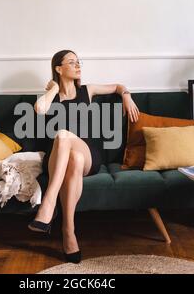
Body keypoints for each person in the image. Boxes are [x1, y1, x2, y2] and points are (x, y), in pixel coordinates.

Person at [28, 50, 140, 263]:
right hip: (60, 157)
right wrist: (53, 88)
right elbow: (40, 110)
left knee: (64, 137)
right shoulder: (51, 96)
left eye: (79, 62)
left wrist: (126, 96)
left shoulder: (88, 90)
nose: (78, 65)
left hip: (88, 152)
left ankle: (48, 204)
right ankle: (68, 231)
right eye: (72, 62)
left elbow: (118, 86)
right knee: (72, 157)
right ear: (59, 69)